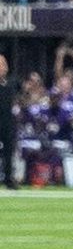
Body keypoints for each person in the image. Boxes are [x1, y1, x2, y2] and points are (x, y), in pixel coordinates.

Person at [0, 52, 19, 189]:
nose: (3, 67)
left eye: (4, 64)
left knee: (8, 151)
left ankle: (8, 179)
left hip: (7, 121)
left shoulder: (10, 84)